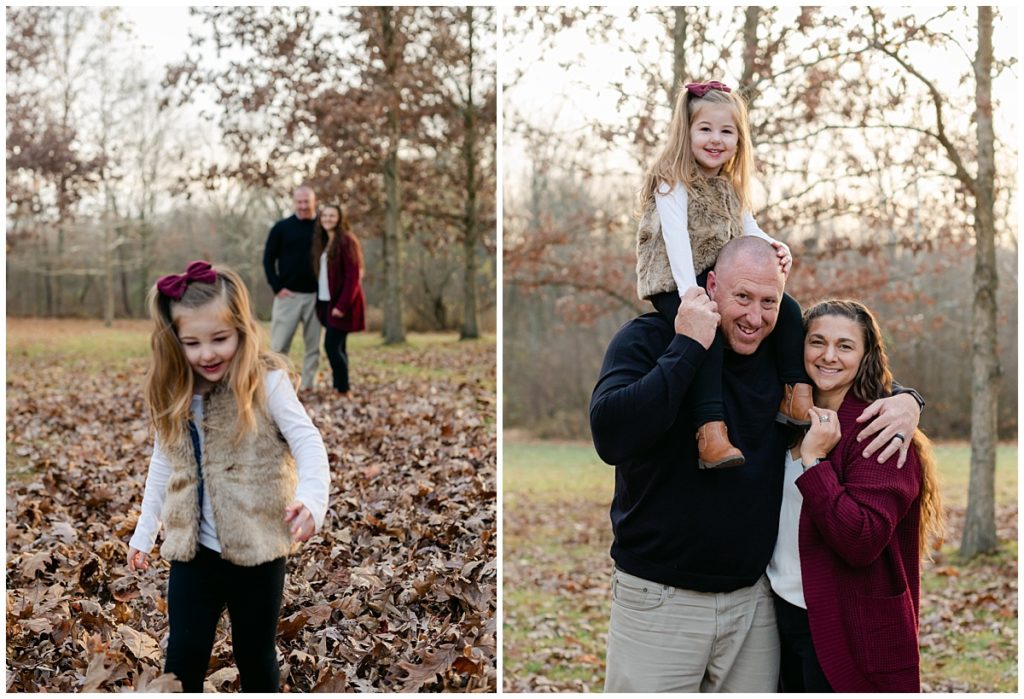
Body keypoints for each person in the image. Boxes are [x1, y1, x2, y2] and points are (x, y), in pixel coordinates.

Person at [589, 237, 924, 693]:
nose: (753, 317)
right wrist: (688, 346)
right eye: (741, 297)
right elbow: (611, 436)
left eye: (769, 302)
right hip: (661, 598)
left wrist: (907, 400)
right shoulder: (648, 340)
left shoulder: (776, 356)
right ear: (711, 286)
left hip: (754, 607)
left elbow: (842, 366)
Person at [126, 260, 330, 692]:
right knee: (182, 656)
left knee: (254, 654)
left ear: (242, 329)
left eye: (220, 339)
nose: (207, 354)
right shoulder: (178, 390)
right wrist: (146, 529)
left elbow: (309, 442)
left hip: (258, 550)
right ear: (175, 342)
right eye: (192, 343)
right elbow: (163, 462)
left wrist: (313, 500)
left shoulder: (266, 382)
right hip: (192, 554)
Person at [766, 300, 944, 692]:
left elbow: (862, 539)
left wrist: (815, 463)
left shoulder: (879, 432)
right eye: (817, 342)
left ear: (865, 356)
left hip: (848, 627)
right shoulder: (790, 415)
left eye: (845, 346)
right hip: (779, 617)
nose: (828, 356)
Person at [636, 79, 813, 470]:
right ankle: (710, 430)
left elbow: (749, 228)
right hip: (672, 280)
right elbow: (675, 239)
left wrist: (775, 246)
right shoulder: (671, 180)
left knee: (788, 308)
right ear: (688, 132)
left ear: (738, 139)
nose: (716, 139)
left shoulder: (729, 187)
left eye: (726, 131)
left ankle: (796, 394)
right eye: (706, 129)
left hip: (714, 281)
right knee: (708, 332)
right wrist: (689, 296)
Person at [263, 185, 321, 390]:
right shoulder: (281, 228)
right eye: (300, 202)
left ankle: (308, 385)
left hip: (316, 297)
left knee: (313, 346)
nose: (303, 206)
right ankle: (276, 386)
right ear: (294, 202)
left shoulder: (323, 227)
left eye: (307, 202)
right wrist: (277, 287)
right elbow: (268, 260)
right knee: (279, 346)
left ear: (314, 201)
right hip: (288, 296)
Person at [312, 203, 366, 394]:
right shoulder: (326, 241)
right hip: (327, 302)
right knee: (340, 347)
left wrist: (342, 305)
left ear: (340, 218)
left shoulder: (347, 240)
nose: (327, 219)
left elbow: (353, 277)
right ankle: (339, 386)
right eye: (325, 215)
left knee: (331, 346)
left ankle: (343, 389)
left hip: (342, 304)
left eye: (332, 215)